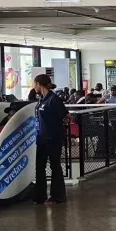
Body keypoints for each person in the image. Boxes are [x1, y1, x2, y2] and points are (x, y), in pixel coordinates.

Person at [31, 74, 69, 205]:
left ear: (39, 84)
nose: (33, 86)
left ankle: (57, 196)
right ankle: (39, 196)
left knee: (55, 166)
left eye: (34, 84)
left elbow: (66, 116)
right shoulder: (41, 99)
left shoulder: (54, 99)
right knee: (39, 167)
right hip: (41, 138)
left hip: (53, 138)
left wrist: (57, 126)